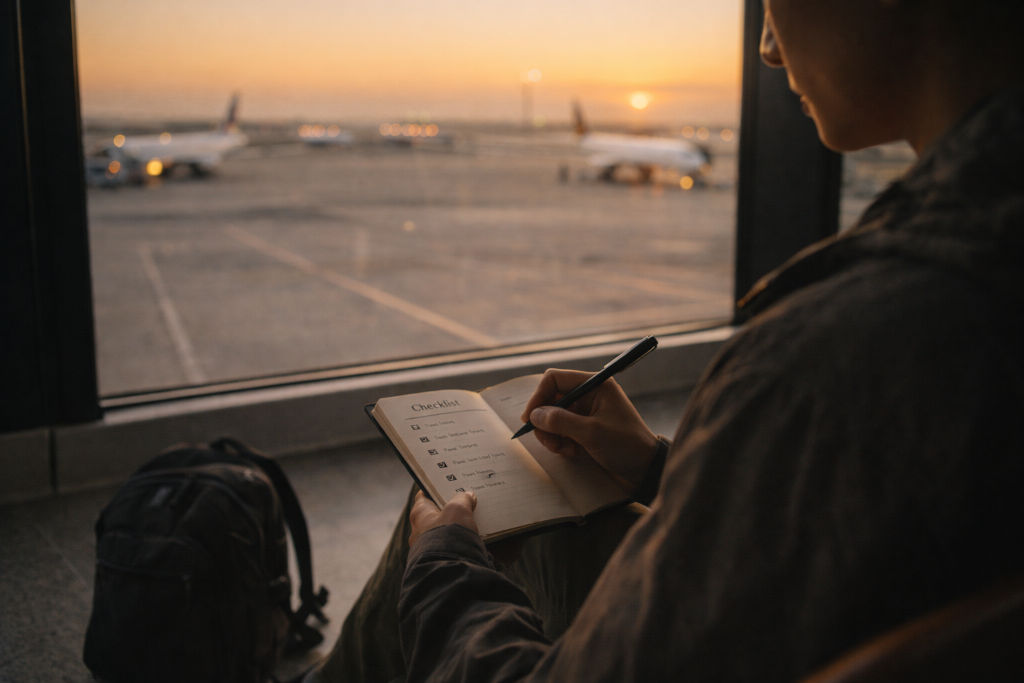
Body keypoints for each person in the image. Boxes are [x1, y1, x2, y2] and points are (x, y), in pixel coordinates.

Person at [308, 1, 1024, 680]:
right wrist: (661, 466)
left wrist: (440, 567)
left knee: (446, 509)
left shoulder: (840, 353)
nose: (769, 49)